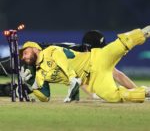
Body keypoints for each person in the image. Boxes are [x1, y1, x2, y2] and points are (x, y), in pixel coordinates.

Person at [19, 26, 150, 103]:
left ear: (35, 48)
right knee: (113, 96)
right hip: (94, 79)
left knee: (122, 43)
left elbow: (63, 62)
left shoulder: (51, 51)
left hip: (97, 58)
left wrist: (72, 78)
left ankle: (146, 30)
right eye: (22, 56)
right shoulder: (40, 73)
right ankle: (146, 92)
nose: (24, 57)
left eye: (25, 53)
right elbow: (45, 97)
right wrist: (30, 82)